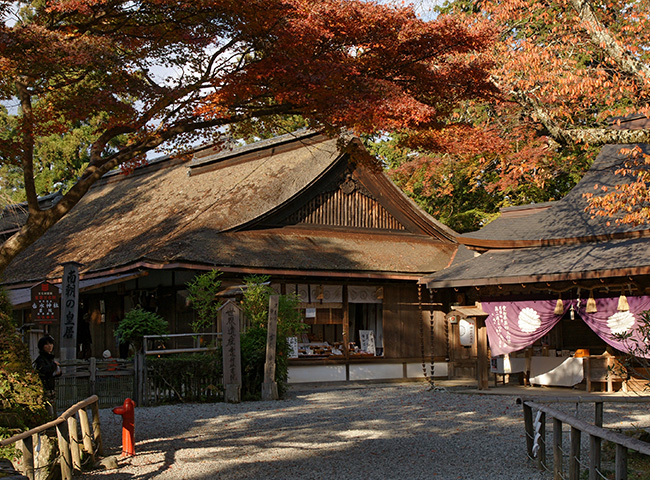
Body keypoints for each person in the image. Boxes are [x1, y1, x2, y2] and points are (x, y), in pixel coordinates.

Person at [34, 335, 62, 418]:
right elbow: (44, 371)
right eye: (47, 344)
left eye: (51, 344)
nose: (50, 346)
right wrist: (53, 365)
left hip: (51, 389)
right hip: (45, 389)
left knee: (54, 412)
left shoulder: (50, 359)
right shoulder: (41, 359)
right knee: (49, 413)